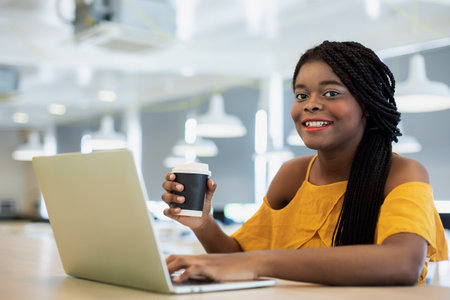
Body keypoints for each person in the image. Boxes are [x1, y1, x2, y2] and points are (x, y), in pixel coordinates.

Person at [161, 41, 448, 285]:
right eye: (301, 95)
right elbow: (235, 260)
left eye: (331, 93)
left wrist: (261, 262)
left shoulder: (401, 173)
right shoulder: (293, 174)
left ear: (368, 106)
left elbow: (402, 263)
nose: (310, 103)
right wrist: (203, 225)